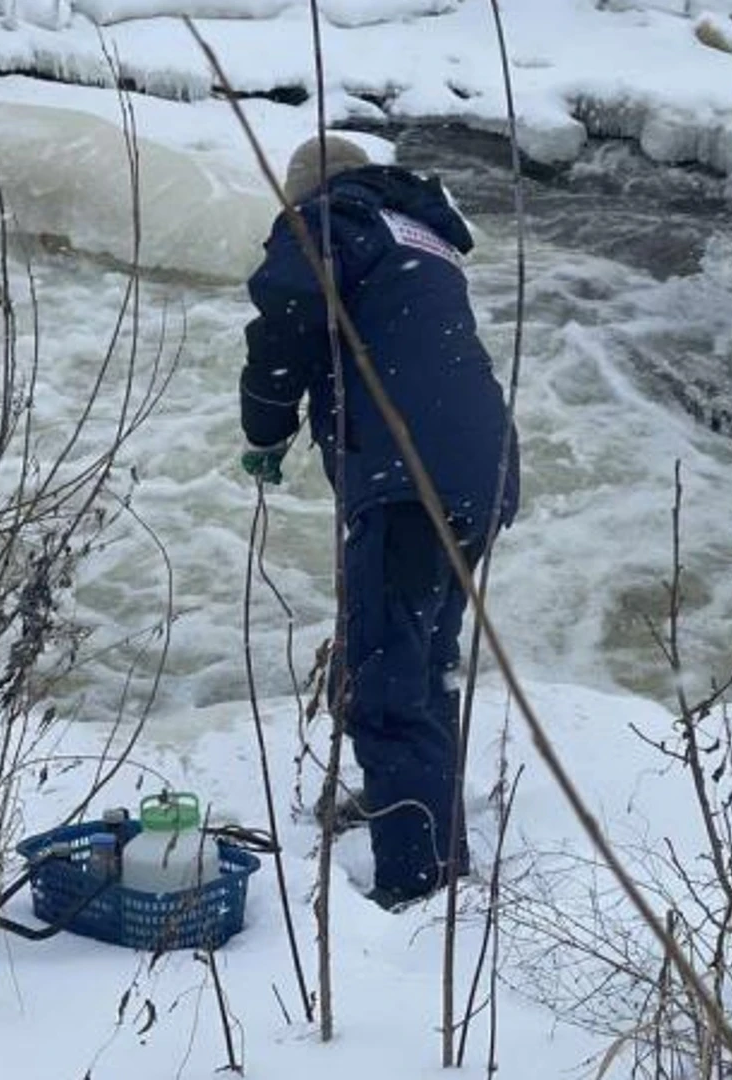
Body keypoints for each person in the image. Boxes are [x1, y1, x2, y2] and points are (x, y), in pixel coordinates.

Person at [237, 134, 520, 909]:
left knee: (386, 682)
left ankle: (421, 882)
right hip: (480, 469)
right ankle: (422, 822)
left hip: (408, 473)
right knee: (421, 657)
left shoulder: (336, 219)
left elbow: (285, 312)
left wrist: (265, 429)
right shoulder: (416, 231)